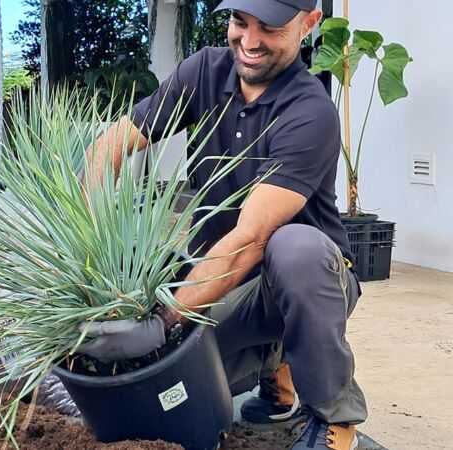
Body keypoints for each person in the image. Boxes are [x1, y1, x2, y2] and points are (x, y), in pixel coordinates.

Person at [77, 1, 366, 449]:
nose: (249, 42)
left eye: (269, 28)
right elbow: (108, 148)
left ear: (308, 25)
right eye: (240, 22)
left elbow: (251, 240)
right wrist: (87, 249)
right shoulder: (205, 72)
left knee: (295, 250)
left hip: (299, 278)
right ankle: (279, 363)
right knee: (166, 387)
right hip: (222, 283)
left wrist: (164, 319)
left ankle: (333, 414)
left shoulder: (311, 112)